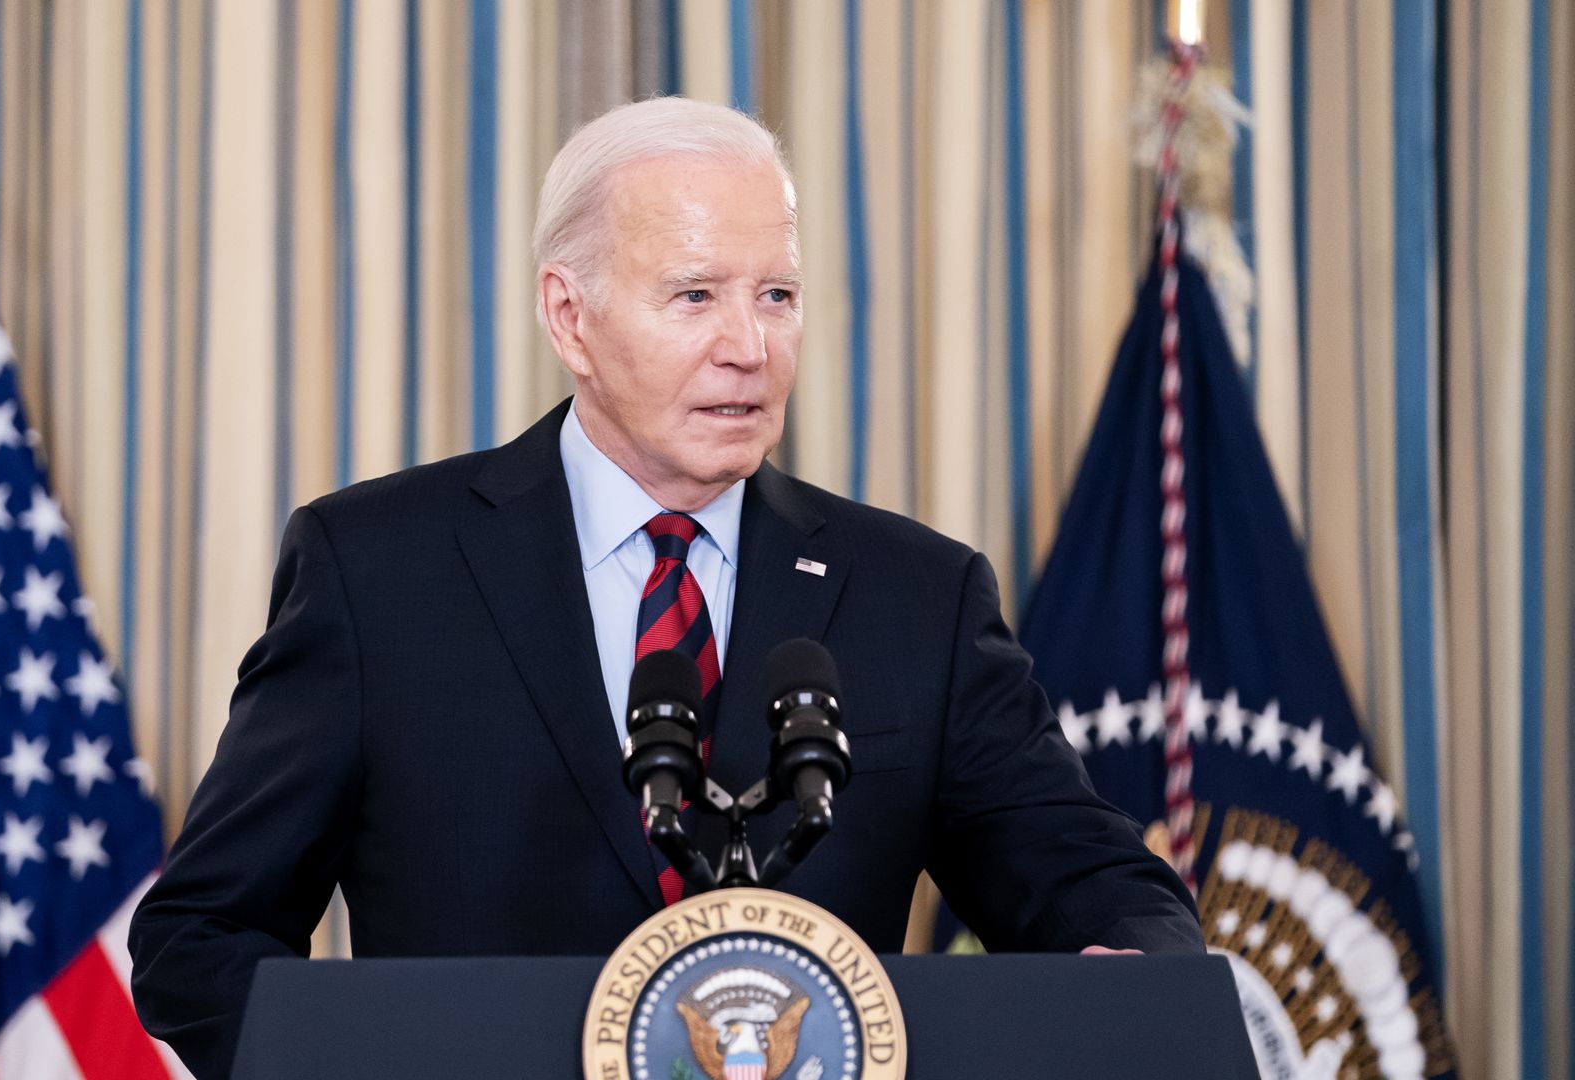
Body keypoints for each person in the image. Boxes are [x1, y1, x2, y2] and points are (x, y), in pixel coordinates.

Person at [129, 96, 1202, 1077]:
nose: (750, 348)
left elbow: (1096, 885)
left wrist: (1121, 960)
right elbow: (201, 935)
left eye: (776, 295)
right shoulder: (375, 571)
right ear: (571, 318)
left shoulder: (917, 595)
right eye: (695, 296)